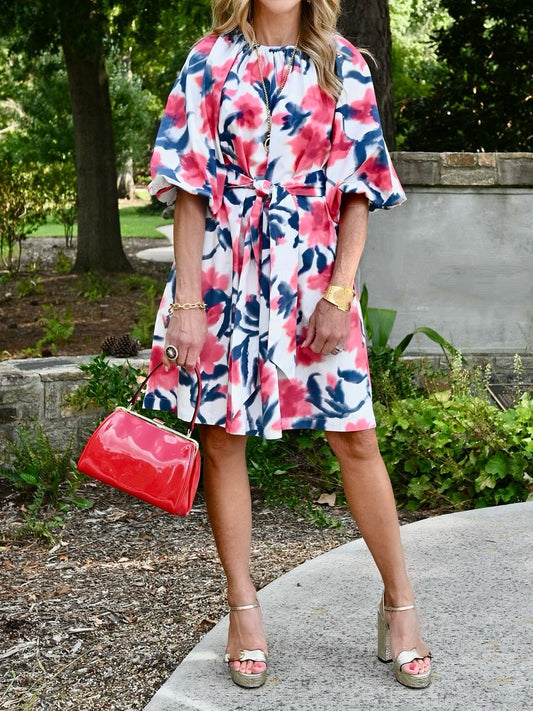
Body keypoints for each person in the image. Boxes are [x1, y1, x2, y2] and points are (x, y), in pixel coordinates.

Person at [144, 0, 432, 691]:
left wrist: (339, 292)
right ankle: (243, 611)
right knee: (222, 438)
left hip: (311, 278)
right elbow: (187, 191)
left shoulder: (344, 65)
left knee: (355, 437)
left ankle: (400, 604)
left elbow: (358, 193)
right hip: (220, 275)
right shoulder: (207, 60)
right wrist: (187, 305)